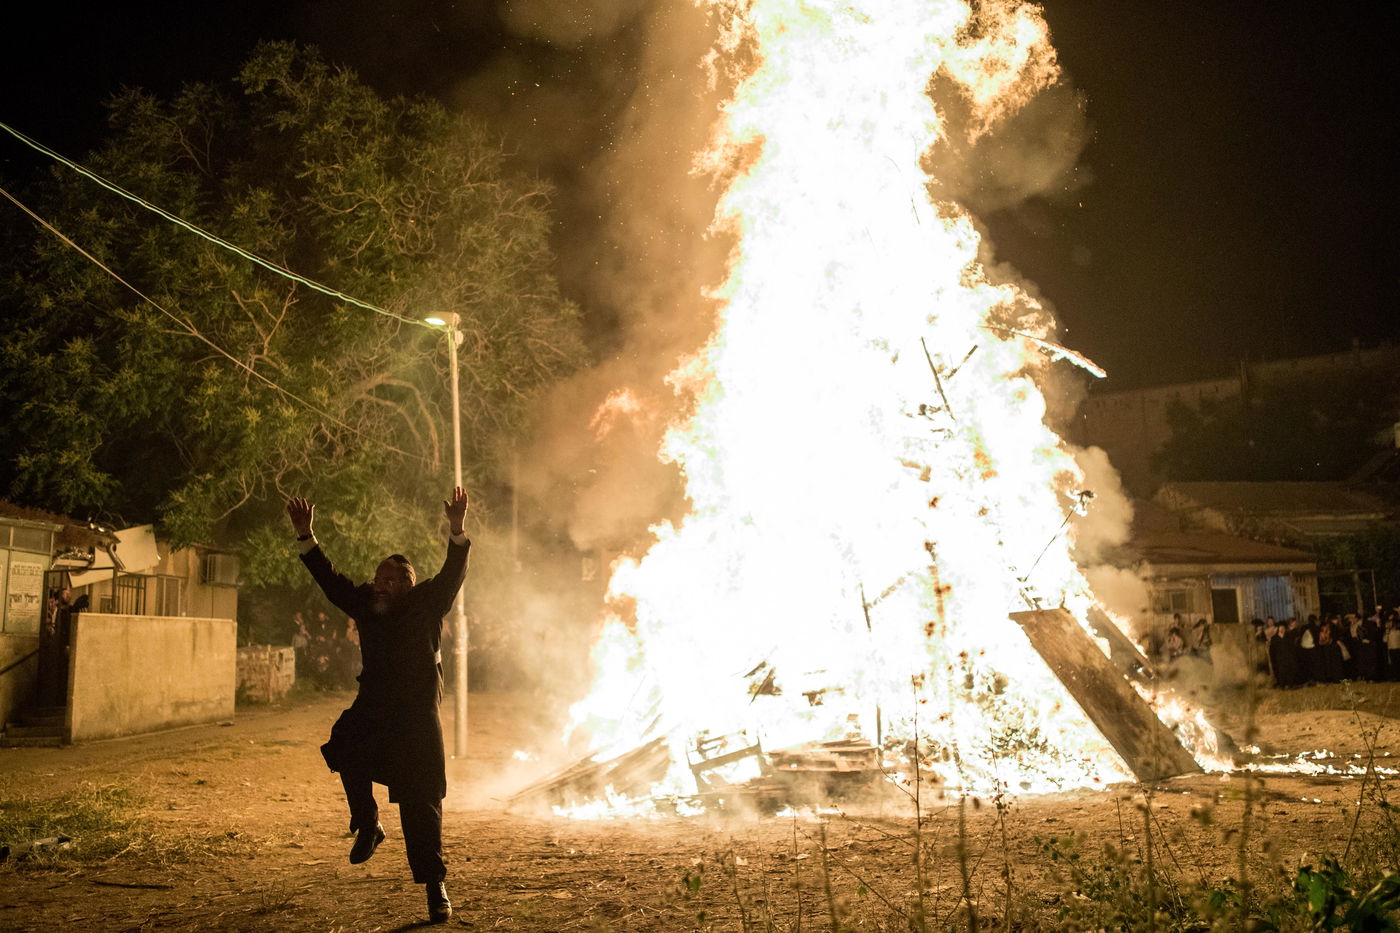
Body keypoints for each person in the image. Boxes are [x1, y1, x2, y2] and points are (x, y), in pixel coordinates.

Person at [287, 488, 470, 925]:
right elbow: (330, 581)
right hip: (374, 707)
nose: (380, 585)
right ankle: (368, 822)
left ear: (409, 585)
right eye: (378, 578)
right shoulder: (368, 606)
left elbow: (453, 571)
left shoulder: (428, 603)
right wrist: (306, 536)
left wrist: (457, 529)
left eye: (390, 580)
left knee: (420, 804)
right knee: (344, 742)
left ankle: (434, 886)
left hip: (417, 717)